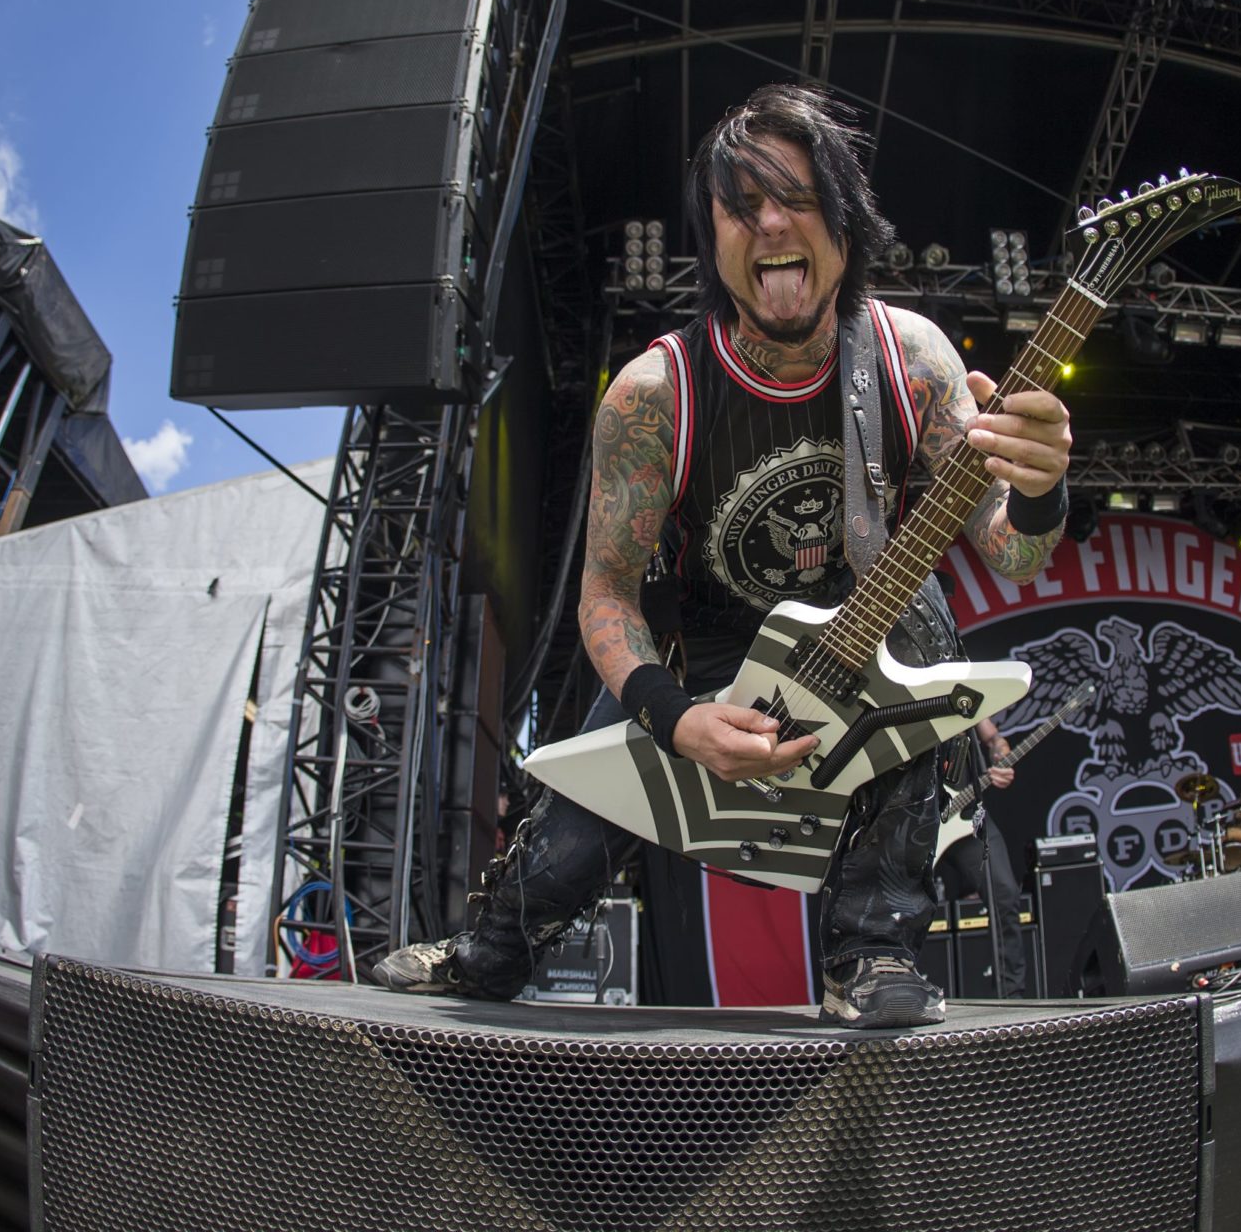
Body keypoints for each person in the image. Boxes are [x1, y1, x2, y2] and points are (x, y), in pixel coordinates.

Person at [375, 84, 1072, 1028]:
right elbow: (606, 596)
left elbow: (1011, 550)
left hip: (869, 634)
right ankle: (486, 950)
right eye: (741, 207)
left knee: (929, 640)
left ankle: (868, 951)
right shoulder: (654, 393)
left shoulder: (913, 360)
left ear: (847, 216)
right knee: (563, 861)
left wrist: (1039, 484)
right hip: (701, 652)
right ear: (711, 237)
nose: (772, 223)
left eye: (798, 196)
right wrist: (675, 720)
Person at [935, 717, 1027, 997]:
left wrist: (1001, 757)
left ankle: (1012, 995)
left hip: (968, 818)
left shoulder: (963, 683)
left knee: (1004, 893)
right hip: (922, 819)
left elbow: (993, 739)